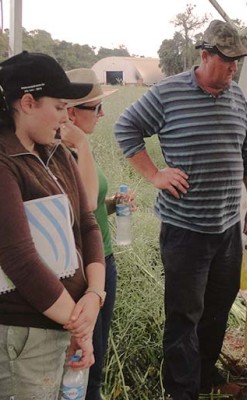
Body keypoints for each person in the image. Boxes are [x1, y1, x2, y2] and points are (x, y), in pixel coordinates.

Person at [114, 20, 247, 399]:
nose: (233, 69)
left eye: (237, 62)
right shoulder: (167, 93)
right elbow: (125, 127)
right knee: (184, 316)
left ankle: (203, 373)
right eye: (226, 61)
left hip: (227, 228)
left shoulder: (238, 97)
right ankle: (182, 391)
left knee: (218, 308)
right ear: (205, 54)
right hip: (185, 232)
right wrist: (155, 175)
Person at [0, 51, 105, 397]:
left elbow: (88, 225)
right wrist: (79, 323)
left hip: (64, 322)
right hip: (25, 336)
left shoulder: (57, 153)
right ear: (28, 102)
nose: (65, 118)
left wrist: (94, 294)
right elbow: (19, 259)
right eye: (60, 107)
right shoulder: (5, 163)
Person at [63, 68, 135, 400]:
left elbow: (89, 207)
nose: (102, 114)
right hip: (84, 270)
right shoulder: (64, 152)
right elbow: (84, 205)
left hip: (102, 261)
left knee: (98, 353)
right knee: (85, 362)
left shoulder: (79, 149)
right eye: (95, 107)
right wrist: (80, 144)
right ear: (71, 112)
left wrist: (113, 203)